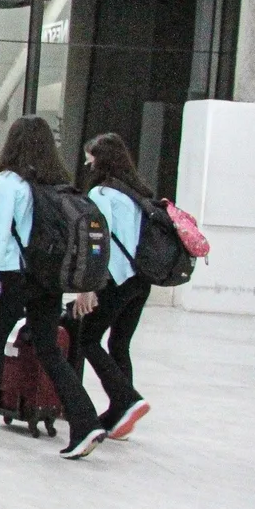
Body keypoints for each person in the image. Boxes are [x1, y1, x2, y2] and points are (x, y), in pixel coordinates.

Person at [0, 115, 105, 459]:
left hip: (14, 274)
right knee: (48, 347)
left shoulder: (9, 181)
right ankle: (84, 418)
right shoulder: (56, 183)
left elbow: (0, 235)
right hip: (47, 276)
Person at [70, 132, 152, 439]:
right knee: (119, 343)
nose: (87, 161)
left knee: (87, 338)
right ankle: (122, 415)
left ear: (101, 159)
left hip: (115, 279)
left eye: (91, 155)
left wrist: (87, 286)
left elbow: (97, 242)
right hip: (141, 280)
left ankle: (128, 399)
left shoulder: (103, 195)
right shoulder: (136, 192)